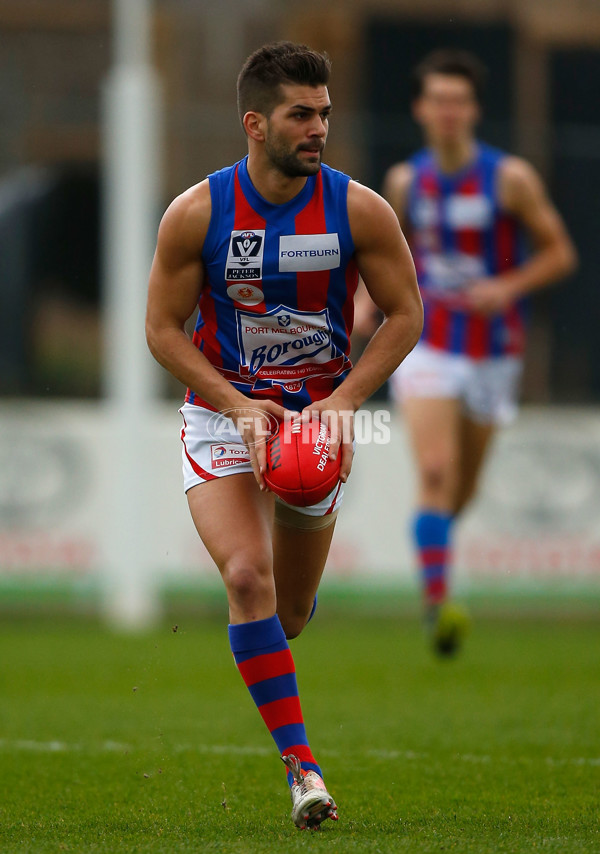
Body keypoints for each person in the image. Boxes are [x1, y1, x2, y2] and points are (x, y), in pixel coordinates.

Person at [145, 42, 422, 830]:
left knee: (290, 615)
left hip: (319, 424)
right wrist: (233, 403)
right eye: (301, 114)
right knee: (244, 578)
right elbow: (162, 330)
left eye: (325, 113)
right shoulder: (197, 214)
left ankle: (277, 665)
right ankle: (304, 769)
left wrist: (344, 401)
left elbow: (407, 315)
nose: (319, 128)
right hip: (226, 414)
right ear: (254, 122)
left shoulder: (359, 210)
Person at [356, 48, 577, 656]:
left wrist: (507, 286)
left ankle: (435, 554)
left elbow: (561, 253)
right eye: (438, 100)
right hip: (426, 341)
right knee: (433, 471)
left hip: (493, 350)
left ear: (473, 108)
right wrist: (364, 307)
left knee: (460, 491)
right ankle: (437, 607)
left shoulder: (510, 179)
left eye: (459, 100)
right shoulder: (405, 181)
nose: (449, 111)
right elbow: (378, 254)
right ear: (421, 109)